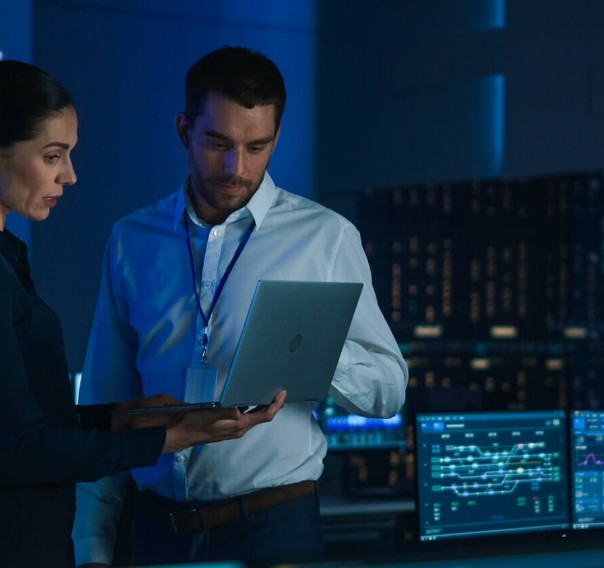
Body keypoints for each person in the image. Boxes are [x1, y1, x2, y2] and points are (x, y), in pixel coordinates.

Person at [0, 60, 283, 568]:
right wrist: (166, 439)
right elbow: (16, 449)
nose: (70, 175)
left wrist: (125, 418)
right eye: (53, 156)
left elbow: (13, 420)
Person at [72, 46, 408, 567]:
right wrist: (91, 546)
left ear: (276, 137)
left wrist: (312, 350)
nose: (237, 167)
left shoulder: (325, 237)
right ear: (183, 129)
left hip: (276, 527)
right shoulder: (130, 240)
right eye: (218, 144)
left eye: (257, 147)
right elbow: (107, 399)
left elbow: (389, 390)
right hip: (155, 530)